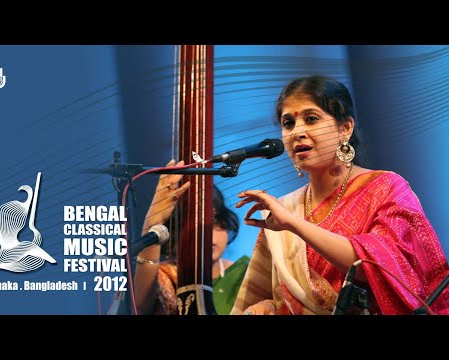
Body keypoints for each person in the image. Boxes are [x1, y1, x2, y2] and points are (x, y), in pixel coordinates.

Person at [231, 75, 449, 315]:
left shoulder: (385, 188)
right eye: (288, 123)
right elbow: (266, 295)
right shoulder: (285, 208)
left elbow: (377, 266)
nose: (297, 132)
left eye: (311, 119)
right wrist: (266, 305)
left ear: (345, 128)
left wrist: (294, 224)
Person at [134, 160, 249, 315]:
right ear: (172, 234)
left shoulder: (247, 273)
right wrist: (154, 222)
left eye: (213, 221)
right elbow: (138, 308)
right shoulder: (162, 277)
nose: (206, 234)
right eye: (192, 226)